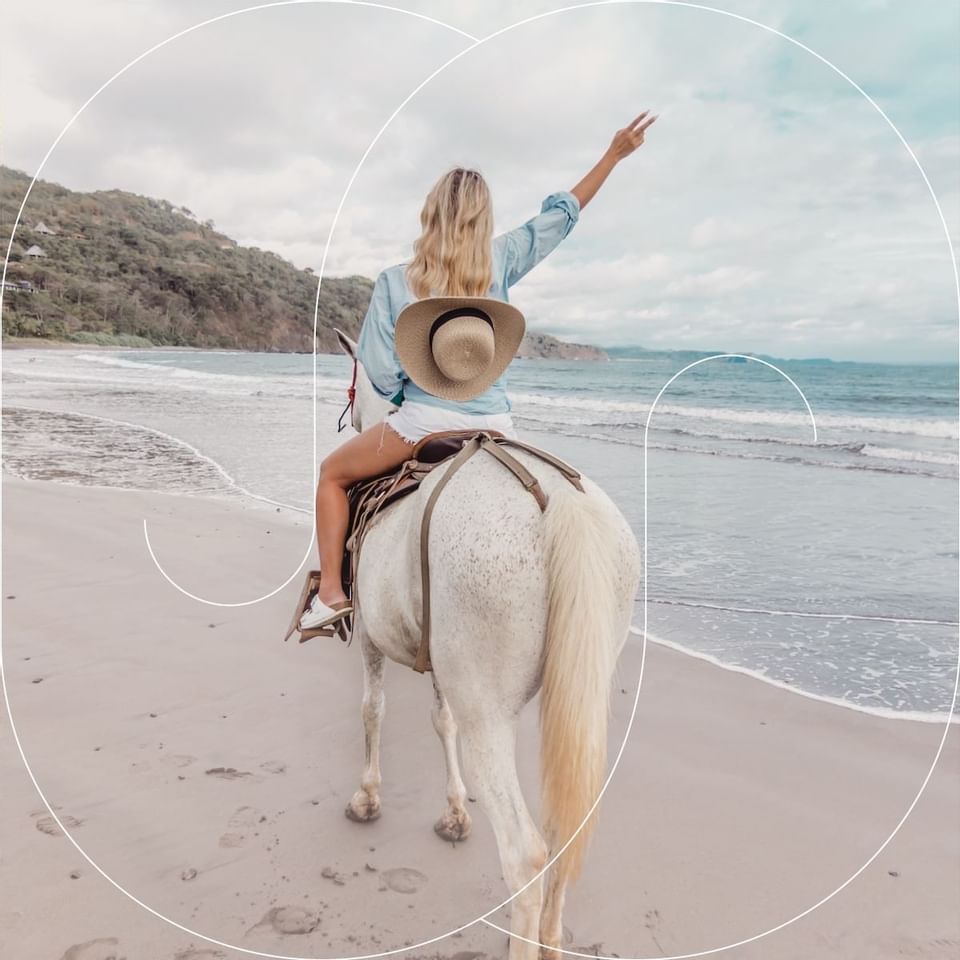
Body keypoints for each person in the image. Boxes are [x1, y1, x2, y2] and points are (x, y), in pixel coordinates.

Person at [300, 109, 657, 632]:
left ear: (431, 214)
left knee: (332, 475)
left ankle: (330, 594)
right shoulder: (504, 257)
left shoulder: (398, 281)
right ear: (484, 219)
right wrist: (613, 155)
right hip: (497, 426)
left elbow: (377, 372)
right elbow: (564, 215)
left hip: (421, 424)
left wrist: (408, 385)